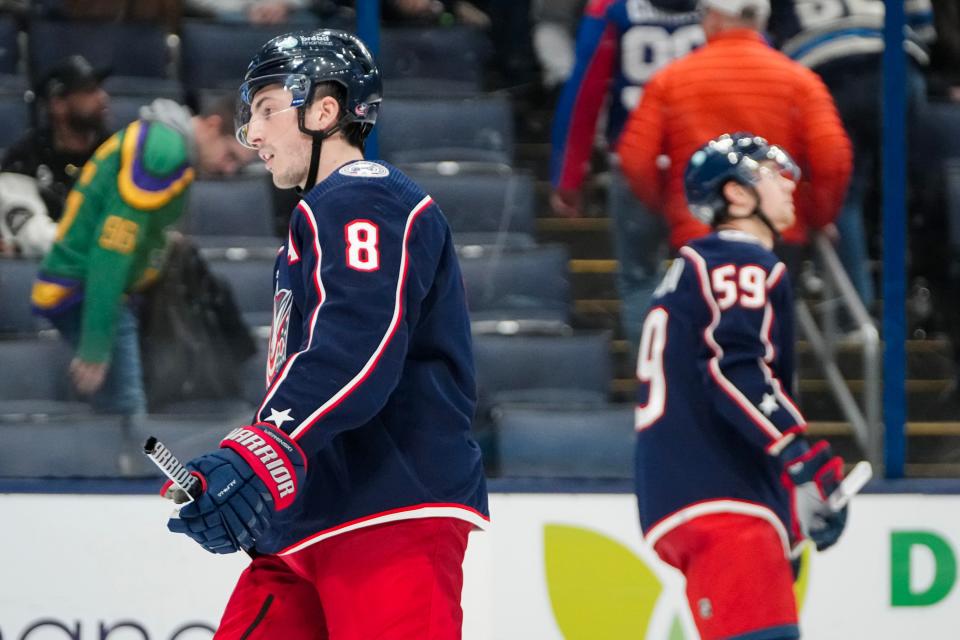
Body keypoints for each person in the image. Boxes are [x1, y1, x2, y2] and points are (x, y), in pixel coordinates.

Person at [163, 29, 489, 638]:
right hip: (306, 518)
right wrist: (255, 469)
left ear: (324, 109)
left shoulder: (365, 197)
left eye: (265, 109)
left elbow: (358, 345)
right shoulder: (324, 212)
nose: (252, 133)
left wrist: (263, 451)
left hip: (387, 508)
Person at [634, 133, 849, 640]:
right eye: (772, 174)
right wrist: (797, 455)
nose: (788, 186)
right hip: (725, 500)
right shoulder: (742, 260)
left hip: (698, 495)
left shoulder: (694, 266)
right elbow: (734, 368)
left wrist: (785, 503)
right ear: (736, 195)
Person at [30, 96, 253, 417]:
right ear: (212, 126)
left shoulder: (169, 145)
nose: (228, 169)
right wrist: (96, 345)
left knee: (122, 411)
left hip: (105, 291)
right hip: (87, 290)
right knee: (126, 416)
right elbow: (113, 247)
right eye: (230, 155)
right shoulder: (166, 152)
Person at [617, 0, 852, 278]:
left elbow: (635, 159)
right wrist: (815, 215)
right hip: (777, 231)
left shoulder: (670, 80)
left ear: (715, 18)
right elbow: (833, 158)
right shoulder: (801, 81)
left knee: (704, 317)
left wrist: (672, 204)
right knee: (770, 318)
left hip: (699, 231)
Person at [550, 0, 704, 350]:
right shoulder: (719, 10)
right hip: (698, 165)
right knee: (705, 277)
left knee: (640, 279)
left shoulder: (610, 7)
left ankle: (652, 387)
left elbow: (584, 90)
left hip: (636, 161)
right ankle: (698, 384)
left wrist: (569, 175)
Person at [768, 0, 936, 318]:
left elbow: (764, 25)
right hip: (896, 60)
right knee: (912, 192)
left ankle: (855, 308)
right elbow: (923, 20)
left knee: (845, 194)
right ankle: (917, 295)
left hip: (825, 72)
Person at [2, 54, 110, 222]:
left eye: (100, 88)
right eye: (90, 90)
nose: (102, 97)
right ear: (58, 105)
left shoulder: (116, 151)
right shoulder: (26, 157)